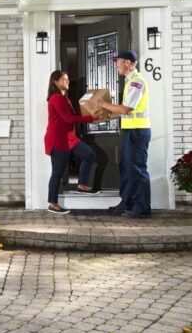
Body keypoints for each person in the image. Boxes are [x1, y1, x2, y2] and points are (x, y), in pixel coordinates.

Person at [99, 50, 152, 218]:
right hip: (131, 131)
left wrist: (104, 104)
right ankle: (127, 203)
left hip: (138, 131)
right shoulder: (130, 82)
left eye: (118, 62)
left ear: (128, 63)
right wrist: (106, 117)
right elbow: (123, 112)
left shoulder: (137, 82)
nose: (116, 65)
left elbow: (126, 109)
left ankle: (142, 208)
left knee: (137, 169)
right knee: (126, 168)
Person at [44, 70, 105, 214]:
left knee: (89, 155)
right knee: (57, 174)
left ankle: (82, 185)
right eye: (64, 80)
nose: (68, 82)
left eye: (67, 79)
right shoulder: (56, 98)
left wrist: (92, 116)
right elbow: (68, 119)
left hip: (69, 139)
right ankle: (52, 204)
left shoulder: (65, 98)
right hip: (58, 141)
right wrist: (90, 118)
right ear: (56, 82)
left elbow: (73, 115)